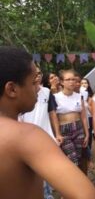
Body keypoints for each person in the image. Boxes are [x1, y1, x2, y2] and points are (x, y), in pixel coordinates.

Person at [0, 46, 95, 199]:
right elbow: (87, 195)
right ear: (12, 89)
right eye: (33, 82)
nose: (39, 89)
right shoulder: (25, 136)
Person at [19, 65, 58, 199]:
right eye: (35, 74)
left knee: (46, 172)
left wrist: (57, 134)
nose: (38, 75)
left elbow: (52, 113)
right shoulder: (21, 94)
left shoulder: (46, 92)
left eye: (40, 73)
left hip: (45, 137)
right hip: (26, 141)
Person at [53, 69, 89, 166]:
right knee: (72, 160)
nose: (71, 82)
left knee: (78, 157)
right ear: (61, 82)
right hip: (64, 130)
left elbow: (83, 116)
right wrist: (57, 133)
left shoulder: (79, 96)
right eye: (68, 79)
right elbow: (54, 117)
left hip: (79, 128)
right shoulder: (55, 97)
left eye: (73, 79)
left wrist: (87, 133)